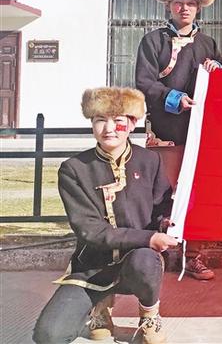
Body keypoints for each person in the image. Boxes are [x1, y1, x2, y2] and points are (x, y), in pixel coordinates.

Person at [33, 87, 176, 344]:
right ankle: (100, 308)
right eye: (100, 120)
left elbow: (162, 206)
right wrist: (148, 237)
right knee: (49, 336)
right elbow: (90, 230)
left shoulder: (150, 161)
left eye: (118, 121)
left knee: (145, 261)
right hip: (92, 268)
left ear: (131, 124)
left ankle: (149, 314)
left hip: (138, 261)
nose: (109, 129)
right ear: (92, 124)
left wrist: (166, 222)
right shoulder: (74, 169)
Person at [136, 0, 222, 280]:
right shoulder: (152, 41)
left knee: (197, 194)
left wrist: (217, 69)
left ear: (198, 7)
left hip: (200, 134)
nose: (184, 8)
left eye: (190, 3)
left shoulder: (208, 43)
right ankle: (156, 256)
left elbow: (220, 87)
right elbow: (144, 83)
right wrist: (173, 97)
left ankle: (194, 256)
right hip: (165, 132)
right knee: (163, 194)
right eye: (178, 2)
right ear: (169, 6)